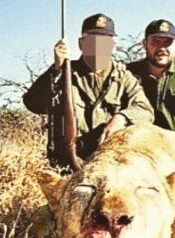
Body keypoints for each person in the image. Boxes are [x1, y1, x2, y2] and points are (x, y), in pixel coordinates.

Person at [23, 13, 154, 169]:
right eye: (92, 41)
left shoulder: (123, 77)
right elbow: (33, 104)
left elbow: (145, 110)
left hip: (110, 163)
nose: (99, 48)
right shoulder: (64, 73)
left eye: (104, 42)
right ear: (81, 44)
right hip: (66, 165)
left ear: (114, 46)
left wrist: (122, 117)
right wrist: (56, 69)